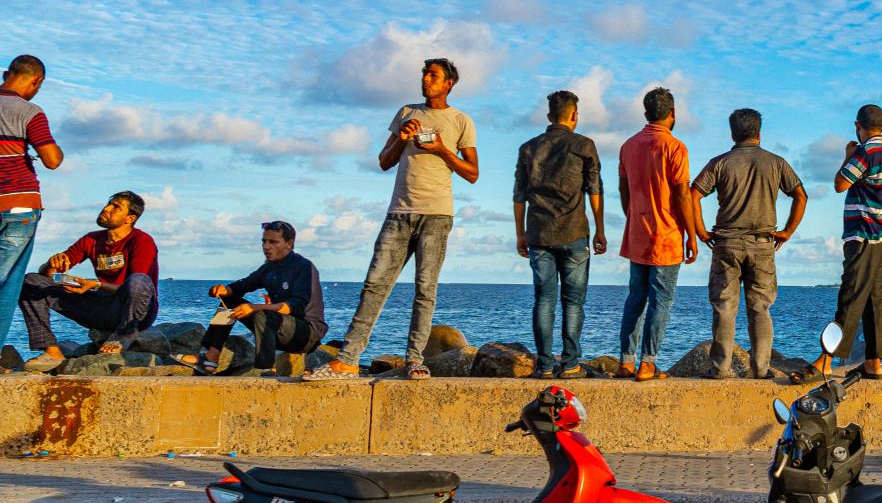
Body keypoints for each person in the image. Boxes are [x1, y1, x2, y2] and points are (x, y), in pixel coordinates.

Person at [310, 58, 479, 381]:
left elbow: (472, 173)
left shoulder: (461, 120)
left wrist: (443, 150)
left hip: (437, 215)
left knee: (425, 289)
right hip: (398, 213)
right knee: (374, 285)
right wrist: (402, 138)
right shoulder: (406, 113)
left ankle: (415, 360)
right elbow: (384, 161)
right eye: (425, 75)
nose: (426, 80)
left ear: (448, 84)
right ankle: (347, 359)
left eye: (433, 76)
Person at [798, 103, 882, 381]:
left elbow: (840, 184)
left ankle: (825, 360)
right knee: (874, 297)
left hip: (861, 235)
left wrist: (847, 156)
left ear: (857, 126)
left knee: (850, 295)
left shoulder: (865, 152)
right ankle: (873, 363)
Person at [691, 108, 807, 379]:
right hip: (763, 244)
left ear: (733, 132)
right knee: (760, 308)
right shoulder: (776, 162)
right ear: (759, 132)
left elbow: (693, 194)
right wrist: (787, 231)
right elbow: (801, 196)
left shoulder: (720, 162)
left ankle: (720, 368)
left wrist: (700, 231)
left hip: (726, 244)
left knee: (724, 307)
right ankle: (761, 369)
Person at [514, 90, 606, 380]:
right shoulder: (584, 145)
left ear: (549, 116)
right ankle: (569, 365)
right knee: (573, 303)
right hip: (575, 232)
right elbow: (595, 191)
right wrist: (600, 229)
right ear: (574, 115)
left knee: (543, 300)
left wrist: (520, 234)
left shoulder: (528, 148)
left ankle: (544, 365)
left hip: (538, 233)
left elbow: (519, 197)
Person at [17, 191, 158, 369]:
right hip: (102, 308)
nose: (106, 209)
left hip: (135, 313)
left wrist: (96, 285)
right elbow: (48, 274)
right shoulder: (91, 239)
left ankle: (124, 334)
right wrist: (50, 264)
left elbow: (137, 286)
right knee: (31, 281)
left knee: (138, 281)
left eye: (116, 207)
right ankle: (52, 352)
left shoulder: (141, 240)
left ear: (130, 218)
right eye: (108, 204)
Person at [617, 87, 697, 381]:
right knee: (661, 300)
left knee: (635, 298)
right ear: (672, 113)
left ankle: (626, 361)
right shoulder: (675, 147)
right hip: (666, 236)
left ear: (646, 113)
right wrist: (691, 234)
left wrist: (633, 215)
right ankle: (648, 363)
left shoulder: (628, 145)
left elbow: (623, 189)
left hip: (637, 233)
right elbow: (682, 194)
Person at [187, 221, 326, 376]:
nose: (266, 246)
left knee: (263, 314)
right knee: (230, 300)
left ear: (289, 243)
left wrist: (256, 308)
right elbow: (243, 285)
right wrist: (224, 289)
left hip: (306, 334)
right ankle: (210, 358)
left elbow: (296, 306)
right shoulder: (268, 268)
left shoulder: (303, 267)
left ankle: (266, 369)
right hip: (276, 330)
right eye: (264, 241)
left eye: (273, 242)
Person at [0, 55, 62, 353]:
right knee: (7, 284)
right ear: (36, 81)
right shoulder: (30, 112)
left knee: (8, 283)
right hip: (20, 205)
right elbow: (52, 160)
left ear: (6, 74)